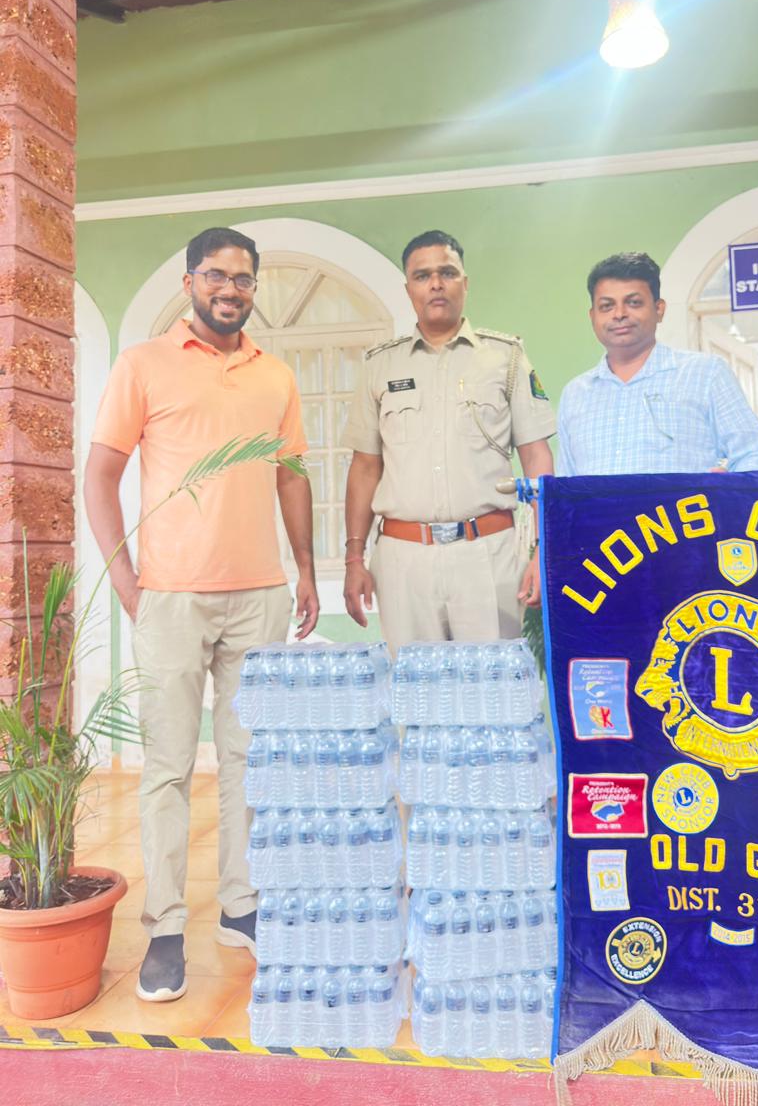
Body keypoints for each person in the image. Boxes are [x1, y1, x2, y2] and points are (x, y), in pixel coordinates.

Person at [84, 227, 319, 1003]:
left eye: (243, 279)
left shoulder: (274, 374)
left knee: (250, 760)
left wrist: (304, 568)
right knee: (168, 768)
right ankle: (163, 928)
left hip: (259, 596)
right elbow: (101, 474)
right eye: (216, 275)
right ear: (189, 282)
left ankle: (242, 906)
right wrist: (126, 580)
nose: (230, 289)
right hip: (173, 597)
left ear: (254, 288)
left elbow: (291, 477)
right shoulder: (142, 364)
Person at [342, 230, 555, 652]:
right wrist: (353, 558)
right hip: (404, 560)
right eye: (422, 276)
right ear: (408, 289)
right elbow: (365, 467)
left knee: (493, 686)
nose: (436, 284)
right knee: (415, 688)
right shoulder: (380, 365)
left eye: (447, 273)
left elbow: (536, 456)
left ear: (465, 283)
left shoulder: (506, 357)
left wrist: (542, 550)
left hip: (488, 554)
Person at [557, 252, 758, 474]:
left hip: (688, 500)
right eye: (607, 306)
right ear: (592, 316)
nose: (619, 314)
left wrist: (730, 488)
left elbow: (757, 454)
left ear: (659, 309)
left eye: (633, 303)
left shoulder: (706, 374)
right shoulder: (575, 394)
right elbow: (566, 484)